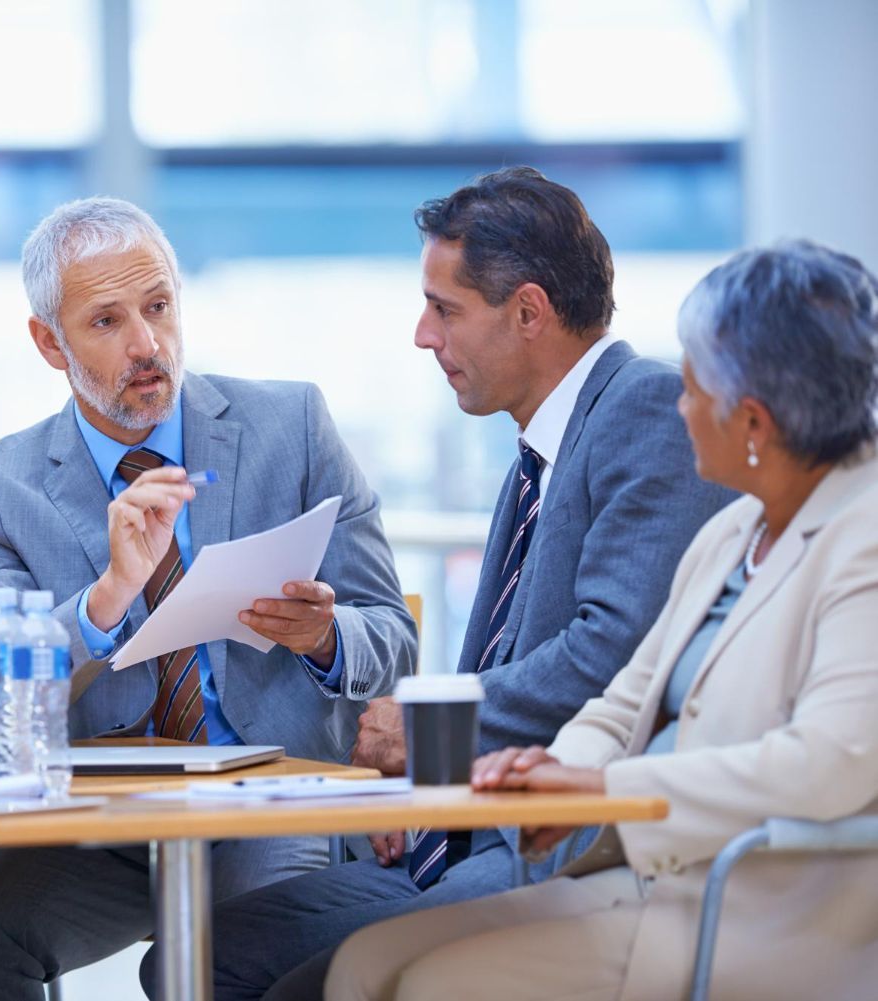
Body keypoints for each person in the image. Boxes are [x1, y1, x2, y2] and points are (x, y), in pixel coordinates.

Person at [199, 166, 736, 1000]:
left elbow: (612, 649)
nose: (422, 335)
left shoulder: (643, 408)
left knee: (304, 982)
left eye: (444, 309)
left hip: (556, 846)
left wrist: (432, 732)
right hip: (461, 826)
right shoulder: (541, 449)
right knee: (196, 957)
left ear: (528, 311)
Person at [325, 240, 878, 1001]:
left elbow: (828, 762)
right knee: (362, 964)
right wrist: (555, 774)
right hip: (649, 870)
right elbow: (624, 699)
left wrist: (605, 783)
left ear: (752, 418)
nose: (677, 406)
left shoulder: (865, 539)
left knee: (433, 984)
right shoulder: (735, 533)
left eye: (692, 386)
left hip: (764, 902)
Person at [0, 196, 417, 1000]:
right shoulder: (3, 486)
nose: (147, 344)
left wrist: (324, 636)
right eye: (105, 321)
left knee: (219, 961)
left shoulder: (292, 425)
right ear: (47, 342)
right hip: (108, 826)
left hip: (270, 800)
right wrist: (107, 598)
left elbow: (393, 636)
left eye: (159, 306)